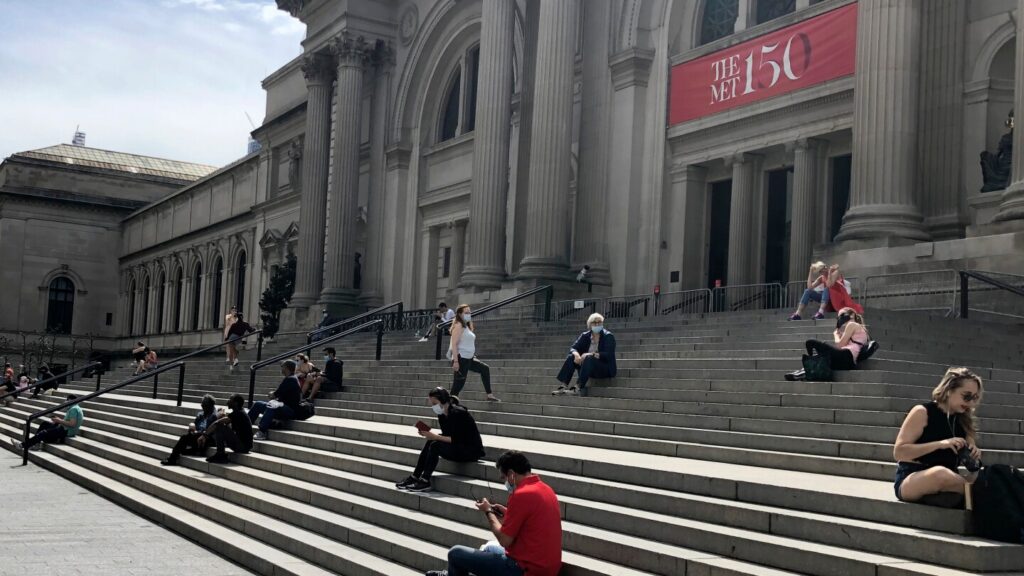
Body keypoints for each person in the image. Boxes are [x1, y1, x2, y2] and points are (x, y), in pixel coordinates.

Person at [427, 451, 562, 576]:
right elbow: (531, 522)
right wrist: (507, 513)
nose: (505, 482)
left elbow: (504, 540)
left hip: (525, 569)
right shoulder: (545, 489)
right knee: (489, 548)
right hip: (548, 567)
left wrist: (488, 511)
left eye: (504, 478)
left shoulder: (521, 494)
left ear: (511, 474)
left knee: (455, 553)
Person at [892, 367, 983, 507]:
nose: (971, 403)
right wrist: (940, 444)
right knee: (939, 474)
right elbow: (899, 452)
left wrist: (974, 454)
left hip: (951, 478)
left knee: (981, 476)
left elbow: (971, 463)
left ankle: (959, 494)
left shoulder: (965, 421)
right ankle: (983, 493)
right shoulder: (922, 412)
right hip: (913, 476)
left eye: (975, 398)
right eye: (966, 396)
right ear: (949, 390)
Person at [396, 387, 485, 493]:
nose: (433, 407)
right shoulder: (442, 415)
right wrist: (430, 435)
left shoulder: (458, 413)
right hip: (459, 447)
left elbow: (457, 439)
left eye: (434, 403)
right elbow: (448, 436)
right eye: (432, 404)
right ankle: (415, 476)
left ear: (443, 400)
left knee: (435, 445)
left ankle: (425, 480)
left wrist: (435, 437)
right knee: (431, 442)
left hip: (470, 451)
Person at [784, 307, 878, 381]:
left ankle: (807, 366)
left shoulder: (852, 325)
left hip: (847, 355)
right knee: (822, 356)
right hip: (848, 362)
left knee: (811, 342)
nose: (840, 318)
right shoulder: (861, 329)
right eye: (839, 316)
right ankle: (801, 373)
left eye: (843, 315)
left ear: (852, 314)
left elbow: (839, 345)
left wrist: (836, 335)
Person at [551, 313, 617, 397]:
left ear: (602, 323)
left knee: (589, 358)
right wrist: (576, 355)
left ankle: (578, 387)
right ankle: (563, 386)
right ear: (590, 324)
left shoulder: (608, 336)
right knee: (572, 357)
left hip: (604, 369)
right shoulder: (585, 336)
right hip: (588, 367)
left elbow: (608, 355)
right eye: (594, 322)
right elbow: (573, 348)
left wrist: (590, 354)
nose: (597, 324)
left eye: (599, 322)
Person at [450, 304, 499, 401]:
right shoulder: (458, 325)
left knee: (485, 369)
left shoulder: (466, 326)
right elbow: (454, 344)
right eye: (466, 312)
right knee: (458, 384)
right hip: (461, 358)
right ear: (460, 314)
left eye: (469, 312)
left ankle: (489, 395)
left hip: (470, 358)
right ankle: (449, 404)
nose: (469, 314)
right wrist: (456, 361)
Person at [248, 359, 302, 441]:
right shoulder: (291, 379)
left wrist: (271, 394)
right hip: (282, 407)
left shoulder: (290, 380)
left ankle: (262, 431)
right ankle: (245, 426)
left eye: (282, 367)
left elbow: (274, 395)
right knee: (258, 404)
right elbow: (279, 393)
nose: (281, 368)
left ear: (287, 368)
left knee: (272, 405)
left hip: (290, 411)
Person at [160, 394, 220, 466]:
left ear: (211, 405)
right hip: (198, 436)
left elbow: (212, 430)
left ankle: (172, 459)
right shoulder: (201, 414)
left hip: (208, 438)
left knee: (184, 438)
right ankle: (195, 451)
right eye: (202, 404)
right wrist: (192, 427)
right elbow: (195, 425)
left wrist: (202, 433)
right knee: (184, 444)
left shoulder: (215, 415)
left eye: (204, 405)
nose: (202, 406)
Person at [15, 394, 84, 452]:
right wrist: (58, 420)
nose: (66, 402)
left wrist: (59, 421)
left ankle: (22, 445)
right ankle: (37, 444)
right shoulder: (75, 408)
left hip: (67, 431)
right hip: (65, 428)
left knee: (43, 432)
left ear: (70, 400)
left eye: (67, 400)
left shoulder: (73, 409)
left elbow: (72, 424)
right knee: (44, 424)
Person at [203, 393, 254, 464]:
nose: (227, 401)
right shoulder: (239, 412)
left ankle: (220, 454)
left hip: (243, 447)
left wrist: (204, 436)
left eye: (230, 399)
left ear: (236, 403)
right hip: (243, 445)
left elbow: (217, 423)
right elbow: (226, 425)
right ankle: (220, 454)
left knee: (219, 426)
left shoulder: (239, 413)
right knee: (221, 426)